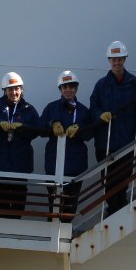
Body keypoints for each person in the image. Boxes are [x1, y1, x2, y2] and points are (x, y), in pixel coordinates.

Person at [90, 41, 136, 217]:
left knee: (124, 177)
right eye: (113, 60)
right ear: (109, 60)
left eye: (120, 59)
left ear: (125, 59)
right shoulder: (101, 85)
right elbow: (93, 107)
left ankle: (120, 206)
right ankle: (113, 207)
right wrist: (99, 114)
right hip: (104, 142)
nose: (117, 63)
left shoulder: (135, 84)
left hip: (126, 140)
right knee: (107, 179)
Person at [40, 70, 96, 218]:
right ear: (60, 89)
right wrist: (52, 123)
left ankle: (64, 237)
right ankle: (53, 236)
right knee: (54, 206)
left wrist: (80, 129)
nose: (68, 90)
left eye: (71, 86)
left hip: (75, 167)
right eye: (64, 87)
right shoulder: (51, 108)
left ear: (76, 88)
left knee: (70, 206)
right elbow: (40, 128)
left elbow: (90, 134)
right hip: (54, 166)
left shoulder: (83, 111)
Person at [0, 71, 40, 218]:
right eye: (10, 89)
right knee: (1, 205)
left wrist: (23, 128)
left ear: (21, 90)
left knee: (18, 203)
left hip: (21, 164)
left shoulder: (29, 109)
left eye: (17, 88)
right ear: (5, 91)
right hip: (0, 163)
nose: (14, 92)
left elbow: (38, 130)